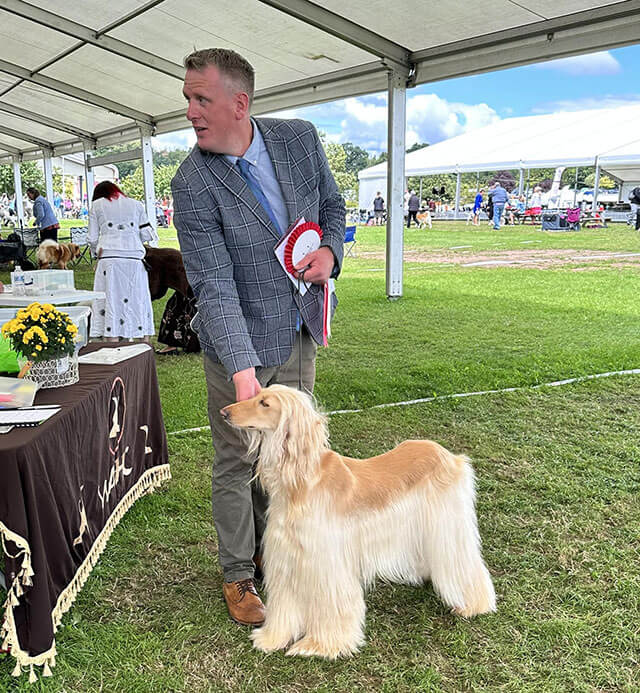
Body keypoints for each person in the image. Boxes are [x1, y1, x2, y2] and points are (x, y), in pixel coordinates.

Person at [171, 48, 345, 627]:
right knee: (235, 460)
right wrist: (242, 367)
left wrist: (330, 252)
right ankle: (238, 574)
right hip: (235, 342)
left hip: (299, 332)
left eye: (202, 99)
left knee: (292, 453)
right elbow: (213, 282)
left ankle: (282, 554)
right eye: (188, 98)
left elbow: (332, 206)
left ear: (239, 103)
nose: (190, 111)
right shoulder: (193, 182)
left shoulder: (300, 139)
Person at [88, 181, 156, 343]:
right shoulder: (136, 205)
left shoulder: (96, 206)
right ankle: (141, 341)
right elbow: (147, 234)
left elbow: (92, 238)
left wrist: (96, 252)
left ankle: (111, 340)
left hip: (109, 259)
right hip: (134, 259)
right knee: (137, 300)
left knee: (110, 299)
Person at [144, 246, 200, 355]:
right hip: (190, 281)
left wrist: (146, 298)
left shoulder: (153, 259)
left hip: (187, 285)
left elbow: (155, 287)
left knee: (174, 313)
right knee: (183, 311)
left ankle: (172, 346)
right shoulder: (158, 253)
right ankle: (191, 345)